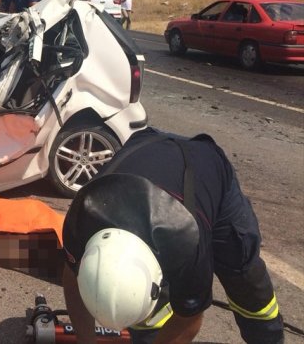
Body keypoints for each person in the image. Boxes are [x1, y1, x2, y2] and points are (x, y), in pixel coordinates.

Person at [61, 127, 283, 344]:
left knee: (245, 280)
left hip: (204, 164)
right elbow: (72, 277)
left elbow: (189, 319)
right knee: (150, 319)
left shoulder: (188, 243)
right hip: (147, 147)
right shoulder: (82, 218)